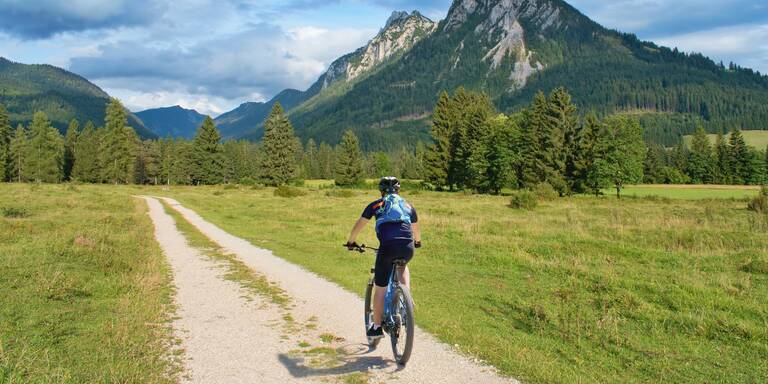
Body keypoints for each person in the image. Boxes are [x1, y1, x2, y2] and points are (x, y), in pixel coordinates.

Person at [345, 176, 421, 340]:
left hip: (387, 248)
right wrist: (418, 242)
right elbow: (416, 229)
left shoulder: (376, 205)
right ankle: (406, 299)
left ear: (381, 191)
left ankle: (377, 327)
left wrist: (351, 241)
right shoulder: (408, 206)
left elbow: (360, 224)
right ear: (398, 190)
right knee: (402, 265)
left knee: (381, 288)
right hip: (407, 247)